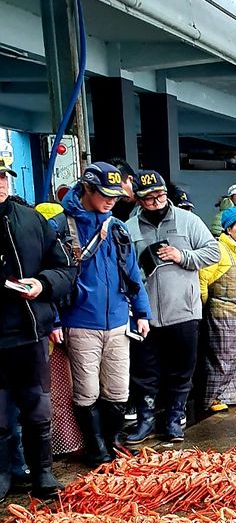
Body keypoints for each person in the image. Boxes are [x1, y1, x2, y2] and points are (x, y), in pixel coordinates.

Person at [52, 163, 151, 465]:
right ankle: (95, 448)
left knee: (119, 389)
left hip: (119, 321)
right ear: (87, 189)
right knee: (87, 390)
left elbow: (133, 274)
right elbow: (50, 278)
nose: (111, 201)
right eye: (105, 195)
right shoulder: (59, 227)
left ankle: (114, 441)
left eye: (115, 196)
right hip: (80, 321)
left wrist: (143, 313)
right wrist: (54, 321)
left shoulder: (118, 228)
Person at [0, 155, 76, 499]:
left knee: (37, 409)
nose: (1, 182)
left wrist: (43, 284)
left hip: (28, 333)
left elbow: (65, 268)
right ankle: (3, 475)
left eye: (4, 176)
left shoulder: (31, 219)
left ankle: (42, 473)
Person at [125, 171, 219, 442]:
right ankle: (146, 421)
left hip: (184, 309)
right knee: (145, 370)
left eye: (160, 195)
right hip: (146, 314)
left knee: (182, 368)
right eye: (149, 198)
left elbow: (212, 252)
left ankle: (175, 419)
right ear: (139, 200)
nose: (156, 202)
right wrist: (142, 266)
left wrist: (183, 256)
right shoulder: (129, 227)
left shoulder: (188, 221)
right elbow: (123, 267)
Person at [197, 205, 236, 412]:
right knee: (221, 357)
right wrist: (204, 304)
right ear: (229, 229)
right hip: (222, 312)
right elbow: (203, 278)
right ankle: (211, 398)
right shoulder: (219, 249)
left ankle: (231, 395)